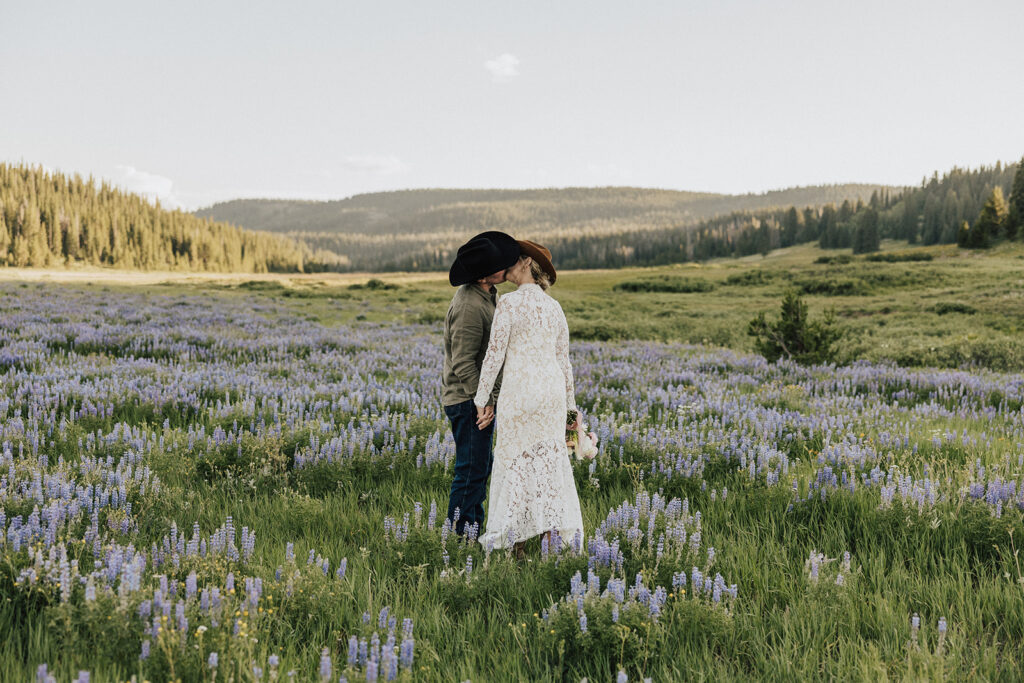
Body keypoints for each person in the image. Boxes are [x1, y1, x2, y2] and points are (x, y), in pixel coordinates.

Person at [473, 240, 584, 557]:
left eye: (512, 261)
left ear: (525, 264)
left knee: (516, 464)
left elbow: (493, 359)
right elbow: (564, 364)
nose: (506, 266)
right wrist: (570, 411)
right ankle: (550, 542)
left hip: (520, 395)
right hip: (550, 395)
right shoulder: (554, 307)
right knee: (548, 464)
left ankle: (515, 545)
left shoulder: (508, 304)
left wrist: (482, 400)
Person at [443, 231, 521, 536]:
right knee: (471, 470)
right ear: (485, 274)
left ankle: (471, 529)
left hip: (476, 398)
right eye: (500, 264)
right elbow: (462, 362)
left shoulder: (486, 295)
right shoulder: (469, 307)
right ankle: (460, 536)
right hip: (467, 400)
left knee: (479, 467)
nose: (506, 267)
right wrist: (483, 402)